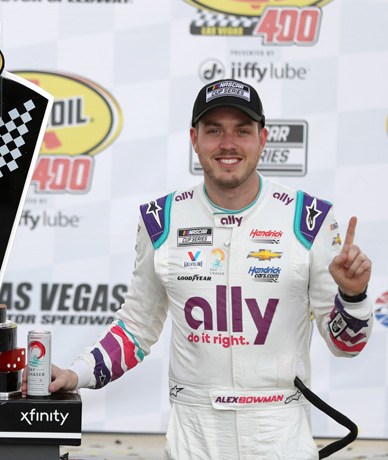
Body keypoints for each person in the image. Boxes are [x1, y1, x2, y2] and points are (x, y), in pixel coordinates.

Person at [35, 79, 374, 460]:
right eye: (214, 131)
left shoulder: (308, 218)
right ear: (194, 140)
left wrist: (354, 296)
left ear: (262, 139)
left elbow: (347, 346)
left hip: (279, 434)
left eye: (242, 131)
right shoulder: (161, 218)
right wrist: (77, 374)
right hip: (195, 435)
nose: (228, 144)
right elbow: (135, 328)